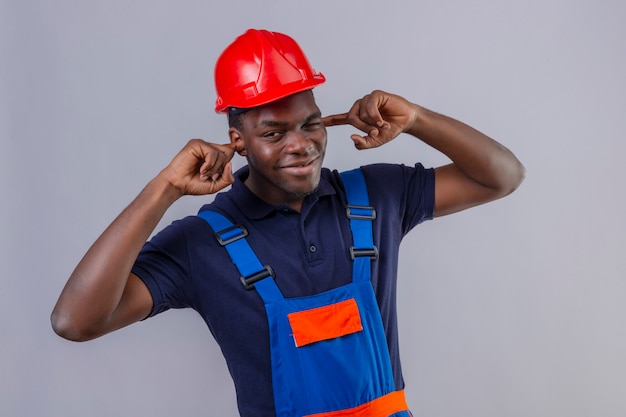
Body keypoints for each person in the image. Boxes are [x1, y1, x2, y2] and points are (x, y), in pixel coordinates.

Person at [51, 29, 525, 417]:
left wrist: (418, 118)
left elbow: (501, 177)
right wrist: (165, 187)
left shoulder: (376, 196)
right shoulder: (202, 244)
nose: (300, 145)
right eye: (274, 133)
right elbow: (75, 321)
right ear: (238, 141)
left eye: (310, 124)